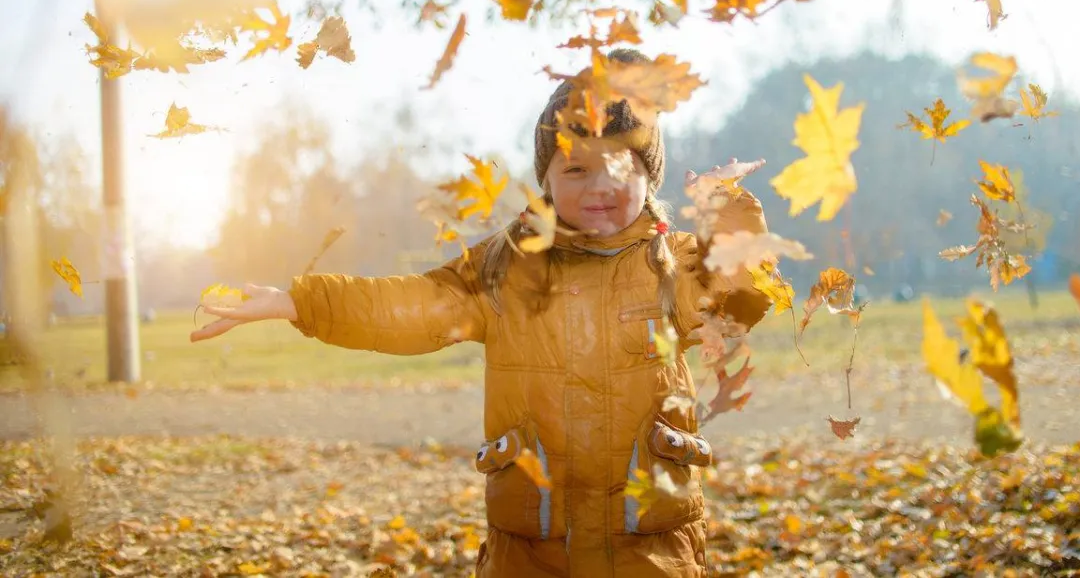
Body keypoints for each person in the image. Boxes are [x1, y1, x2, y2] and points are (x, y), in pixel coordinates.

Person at [192, 48, 773, 577]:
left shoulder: (677, 266)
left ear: (650, 177)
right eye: (575, 169)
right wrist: (296, 301)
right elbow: (410, 307)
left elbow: (744, 299)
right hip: (532, 549)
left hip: (650, 549)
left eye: (622, 168)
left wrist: (732, 213)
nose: (600, 186)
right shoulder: (505, 268)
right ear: (545, 179)